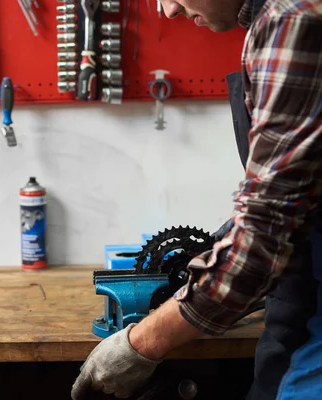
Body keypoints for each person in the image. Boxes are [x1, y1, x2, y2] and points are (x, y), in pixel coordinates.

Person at [71, 0, 322, 398]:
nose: (168, 11)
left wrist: (140, 344)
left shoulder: (290, 18)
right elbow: (292, 199)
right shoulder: (272, 21)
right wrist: (216, 251)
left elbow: (261, 240)